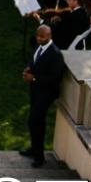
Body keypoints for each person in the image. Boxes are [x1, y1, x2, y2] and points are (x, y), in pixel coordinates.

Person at [21, 23, 66, 167]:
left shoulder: (55, 54)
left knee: (34, 121)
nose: (39, 39)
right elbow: (34, 60)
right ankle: (34, 149)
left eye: (42, 37)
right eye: (38, 36)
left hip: (47, 92)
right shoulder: (39, 46)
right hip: (36, 90)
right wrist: (29, 68)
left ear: (49, 36)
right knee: (35, 121)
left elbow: (55, 78)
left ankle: (39, 156)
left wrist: (33, 78)